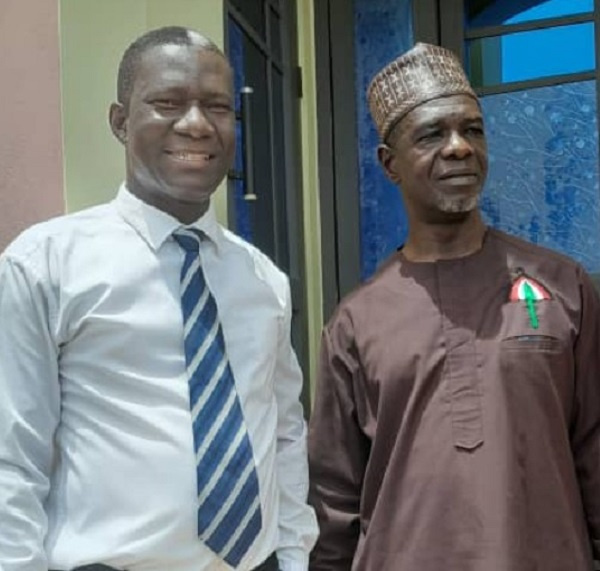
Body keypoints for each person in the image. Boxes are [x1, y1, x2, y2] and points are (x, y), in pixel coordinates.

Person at [0, 26, 317, 571]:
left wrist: (292, 558)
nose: (196, 124)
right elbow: (11, 459)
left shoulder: (264, 281)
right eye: (168, 103)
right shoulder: (46, 264)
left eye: (216, 107)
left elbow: (284, 433)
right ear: (121, 122)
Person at [307, 42, 600, 571]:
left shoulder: (561, 286)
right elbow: (334, 502)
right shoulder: (356, 322)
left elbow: (595, 449)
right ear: (389, 164)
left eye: (473, 129)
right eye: (432, 134)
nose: (460, 147)